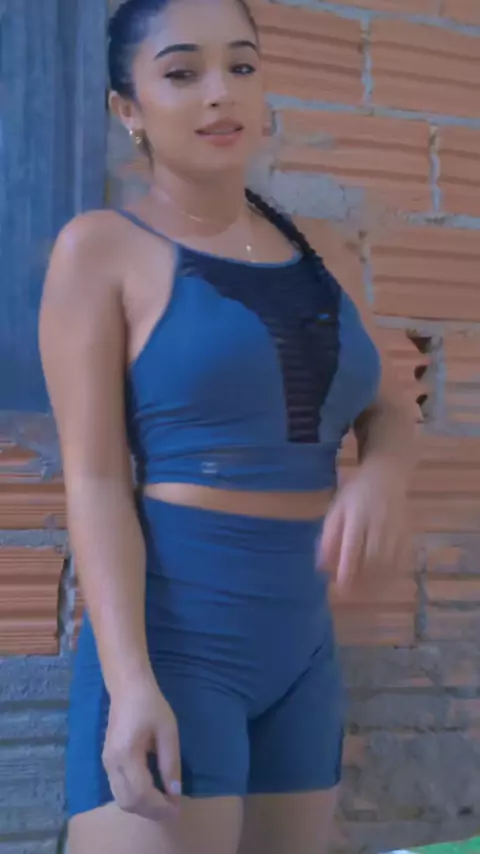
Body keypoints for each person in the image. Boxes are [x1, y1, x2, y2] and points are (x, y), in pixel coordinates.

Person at [39, 0, 415, 852]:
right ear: (128, 108)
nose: (220, 92)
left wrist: (382, 475)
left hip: (303, 645)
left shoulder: (324, 252)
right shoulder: (100, 249)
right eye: (182, 73)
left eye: (241, 66)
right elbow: (94, 480)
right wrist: (130, 682)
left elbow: (391, 404)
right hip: (175, 641)